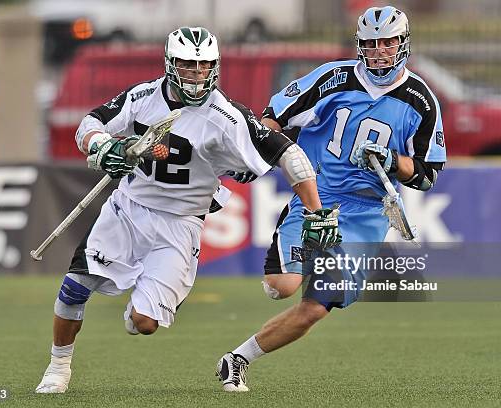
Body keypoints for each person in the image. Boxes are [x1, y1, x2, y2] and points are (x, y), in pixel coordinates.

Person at [35, 26, 341, 393]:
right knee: (75, 286)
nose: (196, 73)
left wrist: (315, 211)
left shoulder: (227, 116)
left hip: (180, 225)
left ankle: (139, 306)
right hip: (128, 209)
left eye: (203, 65)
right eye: (187, 64)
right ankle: (57, 367)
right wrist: (105, 147)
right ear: (170, 64)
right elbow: (90, 124)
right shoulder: (143, 96)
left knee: (144, 324)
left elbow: (290, 154)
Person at [216, 6, 447, 392]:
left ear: (403, 44)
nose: (379, 51)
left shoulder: (421, 101)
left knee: (316, 306)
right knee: (281, 286)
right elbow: (273, 119)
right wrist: (253, 156)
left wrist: (391, 161)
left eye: (388, 42)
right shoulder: (332, 78)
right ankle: (306, 255)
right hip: (317, 197)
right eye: (371, 43)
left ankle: (238, 358)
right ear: (360, 45)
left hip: (368, 213)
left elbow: (427, 176)